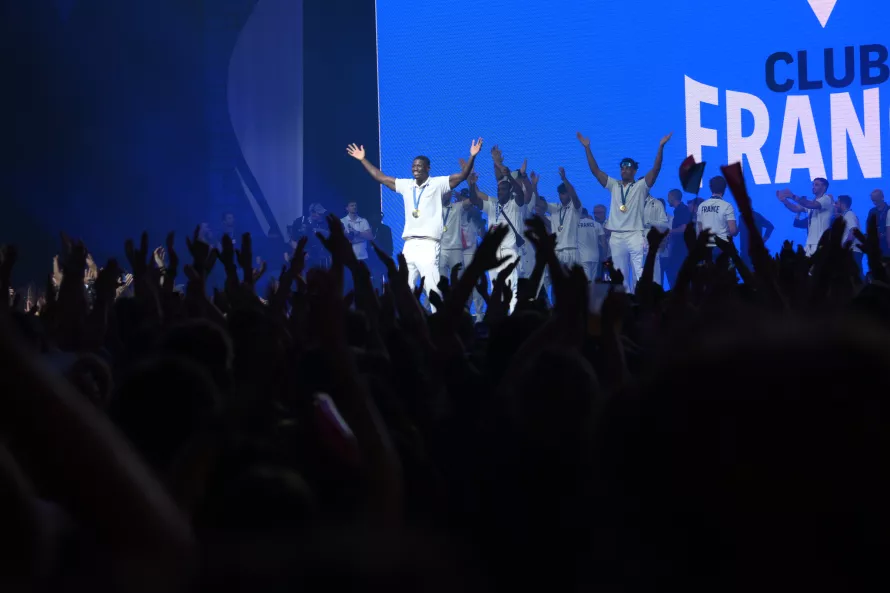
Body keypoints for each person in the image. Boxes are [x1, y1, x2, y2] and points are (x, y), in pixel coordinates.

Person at [346, 138, 482, 308]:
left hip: (428, 244)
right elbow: (381, 177)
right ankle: (405, 327)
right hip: (409, 245)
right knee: (404, 288)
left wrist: (472, 156)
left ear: (428, 168)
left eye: (419, 165)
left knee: (432, 289)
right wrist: (362, 159)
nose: (415, 168)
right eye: (413, 165)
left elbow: (461, 176)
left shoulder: (437, 184)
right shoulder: (406, 185)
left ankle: (438, 325)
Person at [576, 130, 672, 292]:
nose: (624, 170)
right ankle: (626, 308)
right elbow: (595, 171)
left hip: (635, 235)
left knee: (641, 274)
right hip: (616, 237)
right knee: (620, 277)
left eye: (628, 168)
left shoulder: (640, 187)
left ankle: (643, 305)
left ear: (634, 171)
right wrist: (587, 148)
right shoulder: (614, 185)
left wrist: (661, 147)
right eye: (622, 168)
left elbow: (655, 170)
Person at [468, 145, 529, 313]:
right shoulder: (492, 205)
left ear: (510, 191)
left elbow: (521, 193)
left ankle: (513, 319)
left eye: (503, 189)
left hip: (509, 252)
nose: (500, 191)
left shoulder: (516, 205)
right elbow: (475, 200)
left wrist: (508, 174)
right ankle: (498, 320)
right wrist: (472, 185)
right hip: (492, 254)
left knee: (511, 288)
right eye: (498, 189)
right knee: (495, 289)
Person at [776, 177, 834, 256]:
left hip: (821, 243)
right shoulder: (812, 202)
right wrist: (784, 200)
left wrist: (792, 196)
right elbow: (795, 208)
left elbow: (810, 205)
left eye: (816, 185)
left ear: (824, 187)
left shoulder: (826, 198)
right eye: (813, 184)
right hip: (810, 243)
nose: (813, 186)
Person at [539, 167, 582, 268]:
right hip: (557, 251)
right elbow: (539, 203)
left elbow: (574, 196)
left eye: (563, 193)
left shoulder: (575, 207)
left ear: (569, 194)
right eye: (559, 194)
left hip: (572, 250)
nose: (560, 196)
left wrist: (564, 179)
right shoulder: (555, 208)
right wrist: (534, 186)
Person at [696, 176, 739, 261]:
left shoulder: (701, 206)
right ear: (724, 189)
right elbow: (733, 230)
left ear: (710, 188)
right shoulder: (727, 206)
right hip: (722, 248)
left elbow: (699, 230)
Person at [665, 189, 691, 288]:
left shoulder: (682, 210)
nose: (668, 200)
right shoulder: (678, 211)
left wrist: (669, 232)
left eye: (668, 197)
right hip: (679, 249)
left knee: (675, 274)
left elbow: (684, 227)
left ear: (672, 197)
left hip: (681, 250)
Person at [643, 194, 669, 285]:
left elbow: (664, 224)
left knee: (654, 269)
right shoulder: (631, 202)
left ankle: (655, 294)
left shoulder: (657, 203)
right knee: (636, 271)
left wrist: (649, 223)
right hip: (635, 240)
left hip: (650, 239)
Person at [836, 195, 863, 277]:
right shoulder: (846, 215)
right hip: (852, 250)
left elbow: (853, 231)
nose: (835, 205)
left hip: (853, 250)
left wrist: (845, 246)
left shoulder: (849, 215)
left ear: (842, 204)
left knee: (856, 276)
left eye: (837, 203)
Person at [341, 200, 373, 265]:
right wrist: (361, 238)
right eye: (352, 205)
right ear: (347, 208)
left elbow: (370, 236)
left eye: (355, 205)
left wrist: (357, 233)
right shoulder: (342, 221)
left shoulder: (363, 221)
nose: (354, 207)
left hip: (363, 257)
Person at [578, 208, 605, 283]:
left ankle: (586, 294)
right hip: (595, 256)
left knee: (585, 281)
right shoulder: (597, 224)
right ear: (587, 214)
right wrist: (604, 256)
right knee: (592, 281)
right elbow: (603, 242)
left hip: (582, 257)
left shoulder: (574, 224)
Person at [865, 189, 890, 256]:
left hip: (887, 245)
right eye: (873, 200)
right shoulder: (872, 211)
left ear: (882, 197)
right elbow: (868, 227)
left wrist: (884, 234)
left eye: (876, 200)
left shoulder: (888, 210)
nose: (875, 202)